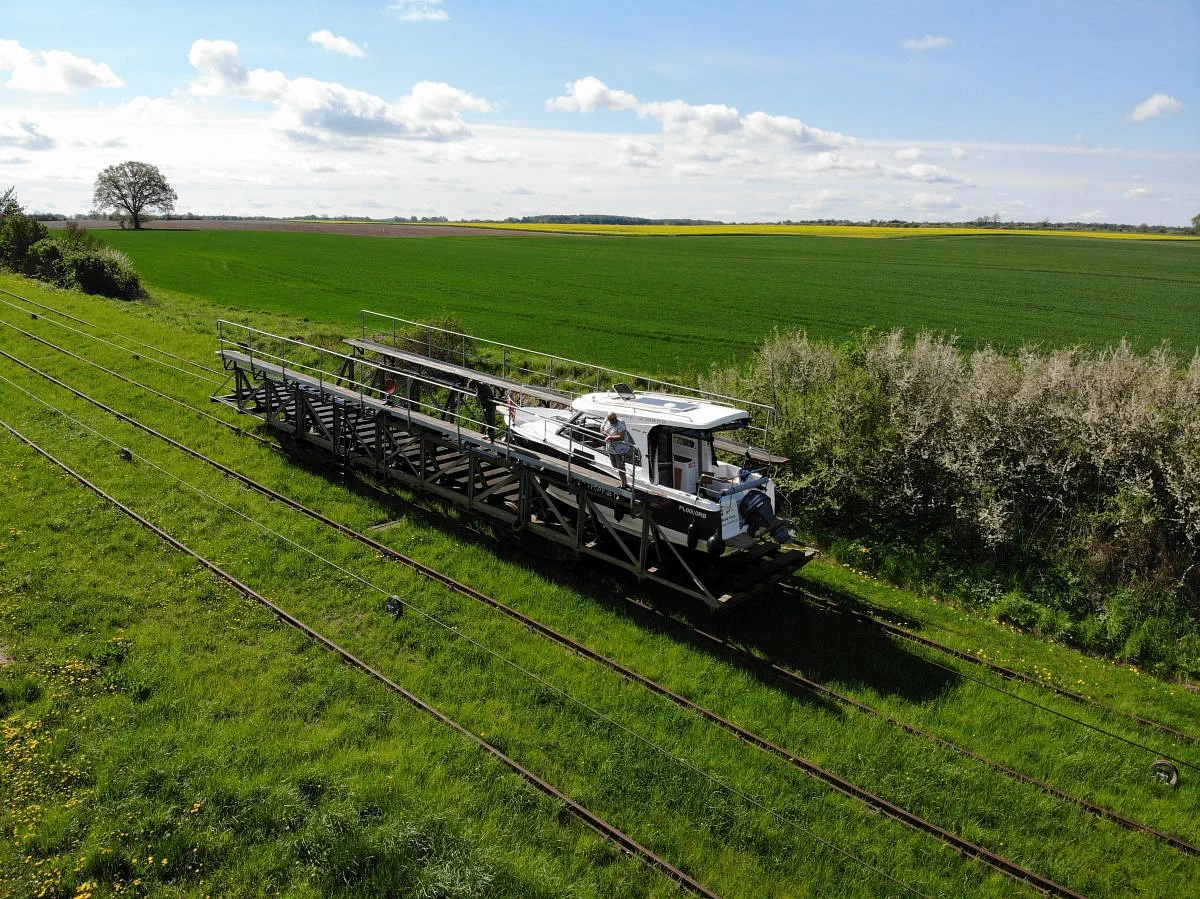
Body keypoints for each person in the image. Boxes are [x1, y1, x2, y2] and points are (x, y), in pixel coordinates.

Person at [601, 410, 632, 488]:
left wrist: (610, 437)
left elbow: (621, 437)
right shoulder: (606, 420)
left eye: (615, 418)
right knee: (615, 466)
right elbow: (601, 429)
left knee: (620, 467)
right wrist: (607, 434)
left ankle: (624, 484)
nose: (614, 420)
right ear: (608, 419)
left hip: (620, 449)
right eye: (612, 419)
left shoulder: (621, 423)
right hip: (610, 448)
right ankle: (623, 480)